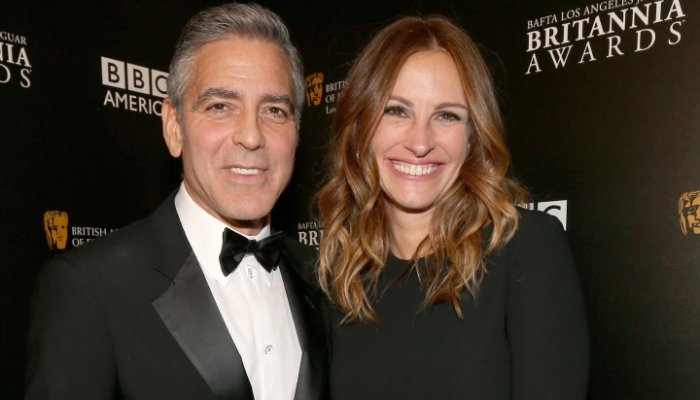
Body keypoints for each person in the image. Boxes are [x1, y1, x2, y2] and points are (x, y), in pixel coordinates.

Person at [26, 4, 329, 400]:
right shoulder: (89, 287)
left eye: (274, 110)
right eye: (220, 107)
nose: (252, 136)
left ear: (297, 132)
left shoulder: (324, 278)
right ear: (174, 126)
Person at [316, 15, 588, 399]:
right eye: (397, 110)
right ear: (361, 127)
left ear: (473, 137)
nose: (420, 141)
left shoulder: (525, 249)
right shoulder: (341, 275)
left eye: (447, 115)